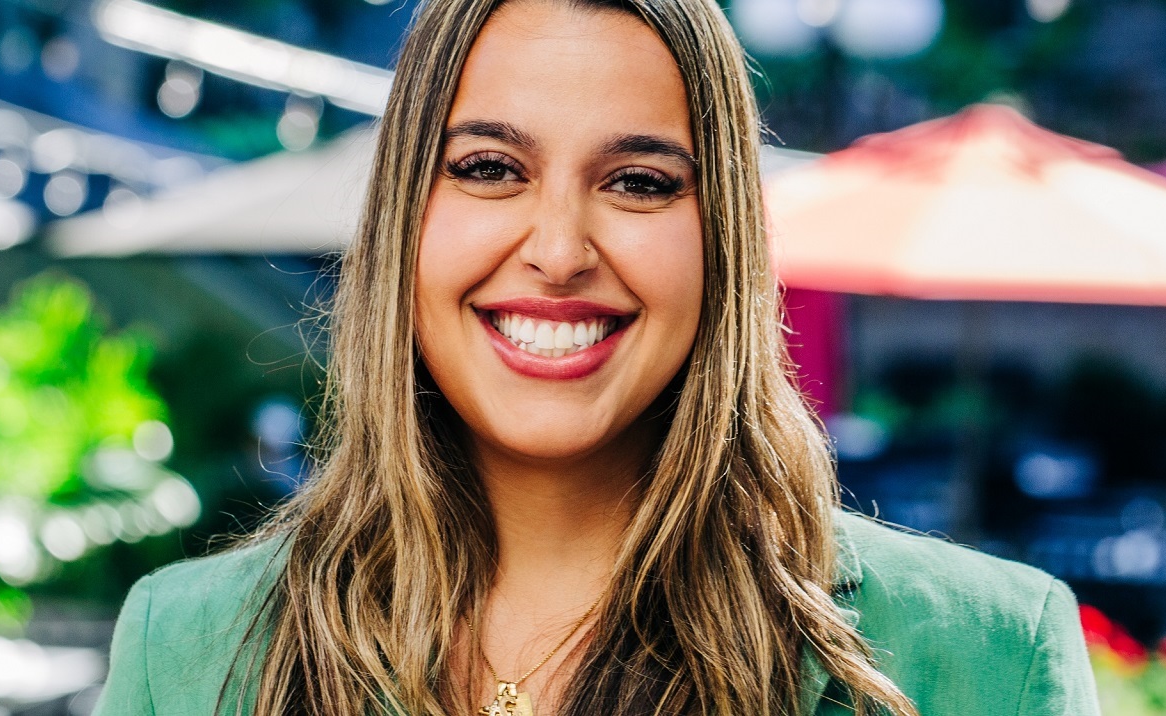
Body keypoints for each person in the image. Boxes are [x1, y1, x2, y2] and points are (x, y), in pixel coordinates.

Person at [95, 0, 1102, 713]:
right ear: (405, 215)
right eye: (489, 168)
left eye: (639, 182)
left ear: (723, 241)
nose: (561, 249)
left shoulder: (987, 654)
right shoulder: (186, 648)